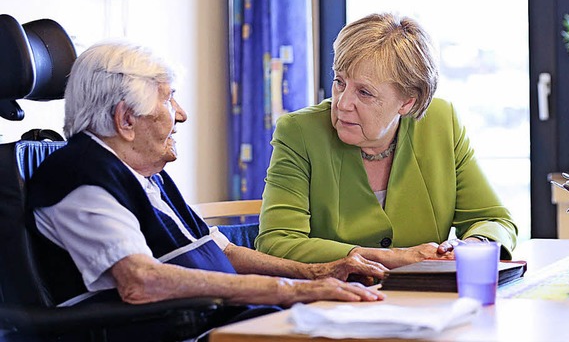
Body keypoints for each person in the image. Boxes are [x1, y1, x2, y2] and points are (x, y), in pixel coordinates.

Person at [26, 41, 386, 311]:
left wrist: (315, 274)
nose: (181, 115)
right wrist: (291, 291)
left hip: (220, 319)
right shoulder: (79, 178)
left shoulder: (143, 174)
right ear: (125, 120)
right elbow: (141, 281)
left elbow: (221, 250)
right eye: (169, 101)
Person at [255, 12, 518, 269]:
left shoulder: (441, 123)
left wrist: (472, 246)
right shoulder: (299, 132)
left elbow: (493, 220)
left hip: (426, 301)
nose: (343, 103)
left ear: (407, 101)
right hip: (331, 301)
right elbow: (277, 242)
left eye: (365, 92)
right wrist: (391, 257)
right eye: (339, 82)